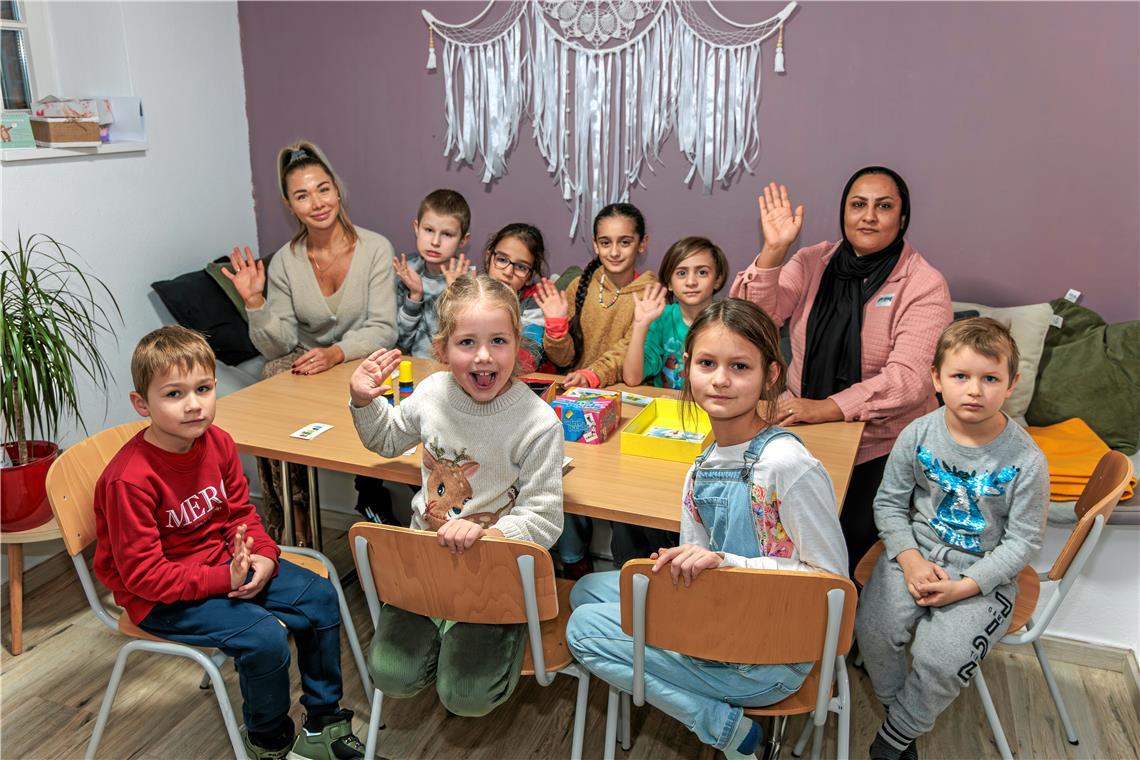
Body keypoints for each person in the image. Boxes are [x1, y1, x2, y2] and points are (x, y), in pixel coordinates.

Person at [566, 300, 848, 759]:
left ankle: (721, 726)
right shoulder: (700, 467)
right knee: (588, 592)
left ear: (770, 375)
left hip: (772, 654)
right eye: (707, 363)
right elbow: (700, 570)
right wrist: (683, 563)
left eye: (739, 366)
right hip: (722, 619)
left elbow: (831, 584)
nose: (720, 379)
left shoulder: (787, 464)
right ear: (687, 371)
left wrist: (726, 562)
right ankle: (704, 692)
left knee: (583, 630)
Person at [93, 326, 365, 760]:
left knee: (318, 596)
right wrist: (225, 578)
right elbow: (144, 577)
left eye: (203, 388)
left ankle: (323, 725)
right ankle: (269, 741)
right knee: (263, 639)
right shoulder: (129, 480)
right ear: (141, 404)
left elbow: (240, 514)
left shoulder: (216, 442)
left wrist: (265, 556)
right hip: (158, 597)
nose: (194, 404)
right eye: (174, 394)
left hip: (223, 565)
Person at [348, 274, 565, 717]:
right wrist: (363, 401)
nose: (484, 355)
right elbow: (388, 439)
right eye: (467, 342)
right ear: (443, 348)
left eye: (498, 341)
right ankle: (442, 632)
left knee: (466, 696)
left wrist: (492, 533)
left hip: (493, 571)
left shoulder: (538, 422)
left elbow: (543, 518)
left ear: (517, 347)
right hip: (425, 563)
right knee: (391, 674)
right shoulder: (431, 392)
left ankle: (489, 632)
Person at [730, 169, 952, 574]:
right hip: (796, 429)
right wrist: (774, 252)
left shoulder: (923, 284)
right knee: (765, 537)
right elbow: (750, 323)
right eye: (858, 205)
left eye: (883, 206)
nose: (869, 216)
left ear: (902, 219)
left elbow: (909, 379)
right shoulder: (813, 260)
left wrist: (827, 407)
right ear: (843, 212)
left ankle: (836, 632)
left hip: (881, 446)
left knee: (834, 555)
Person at [856, 318, 1047, 760]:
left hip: (982, 571)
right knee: (873, 632)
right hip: (914, 554)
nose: (974, 390)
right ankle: (899, 719)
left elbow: (1021, 543)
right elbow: (888, 505)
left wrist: (966, 586)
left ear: (1012, 384)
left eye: (990, 378)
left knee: (940, 659)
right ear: (936, 379)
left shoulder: (1027, 460)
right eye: (960, 376)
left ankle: (892, 739)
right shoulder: (917, 434)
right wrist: (910, 560)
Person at [223, 140, 399, 542]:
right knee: (271, 376)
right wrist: (255, 301)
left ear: (337, 190)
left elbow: (383, 328)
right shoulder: (286, 260)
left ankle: (374, 516)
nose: (317, 202)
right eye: (302, 195)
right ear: (290, 205)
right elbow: (278, 345)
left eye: (323, 189)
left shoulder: (375, 249)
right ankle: (291, 519)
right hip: (307, 367)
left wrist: (337, 353)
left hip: (360, 361)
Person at [534, 203, 659, 578]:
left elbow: (626, 352)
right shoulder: (581, 285)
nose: (615, 251)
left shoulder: (649, 291)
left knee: (620, 488)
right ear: (594, 244)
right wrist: (555, 328)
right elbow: (564, 355)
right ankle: (572, 560)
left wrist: (591, 375)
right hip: (576, 399)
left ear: (642, 243)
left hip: (624, 406)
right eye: (605, 242)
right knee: (563, 476)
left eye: (625, 241)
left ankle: (628, 568)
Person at [623, 236, 728, 388]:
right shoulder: (662, 318)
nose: (691, 282)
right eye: (681, 273)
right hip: (669, 405)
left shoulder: (727, 321)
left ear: (717, 279)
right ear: (669, 283)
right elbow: (632, 378)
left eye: (702, 272)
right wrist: (640, 326)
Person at [393, 188, 472, 358]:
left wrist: (455, 294)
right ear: (416, 228)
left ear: (463, 240)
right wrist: (415, 296)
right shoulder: (407, 271)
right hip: (414, 367)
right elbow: (400, 342)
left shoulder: (468, 279)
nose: (435, 242)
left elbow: (468, 343)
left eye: (447, 234)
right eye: (429, 230)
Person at [479, 222, 549, 372]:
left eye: (521, 267)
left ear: (530, 276)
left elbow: (529, 357)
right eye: (502, 259)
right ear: (488, 258)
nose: (508, 272)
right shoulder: (473, 291)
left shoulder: (533, 303)